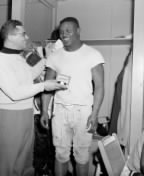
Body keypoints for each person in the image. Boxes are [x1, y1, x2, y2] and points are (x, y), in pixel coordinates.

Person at [0, 19, 66, 176]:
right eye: (23, 34)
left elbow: (30, 75)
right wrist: (44, 86)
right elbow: (15, 93)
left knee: (24, 164)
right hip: (8, 117)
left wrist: (47, 58)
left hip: (25, 113)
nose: (27, 36)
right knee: (6, 166)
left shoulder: (19, 58)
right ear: (11, 36)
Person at [40, 17, 105, 176]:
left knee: (82, 156)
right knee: (60, 154)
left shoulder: (92, 54)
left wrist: (95, 113)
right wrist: (44, 111)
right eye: (61, 31)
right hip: (60, 111)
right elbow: (48, 86)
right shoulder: (55, 56)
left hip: (84, 113)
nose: (64, 34)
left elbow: (100, 87)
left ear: (78, 31)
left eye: (68, 30)